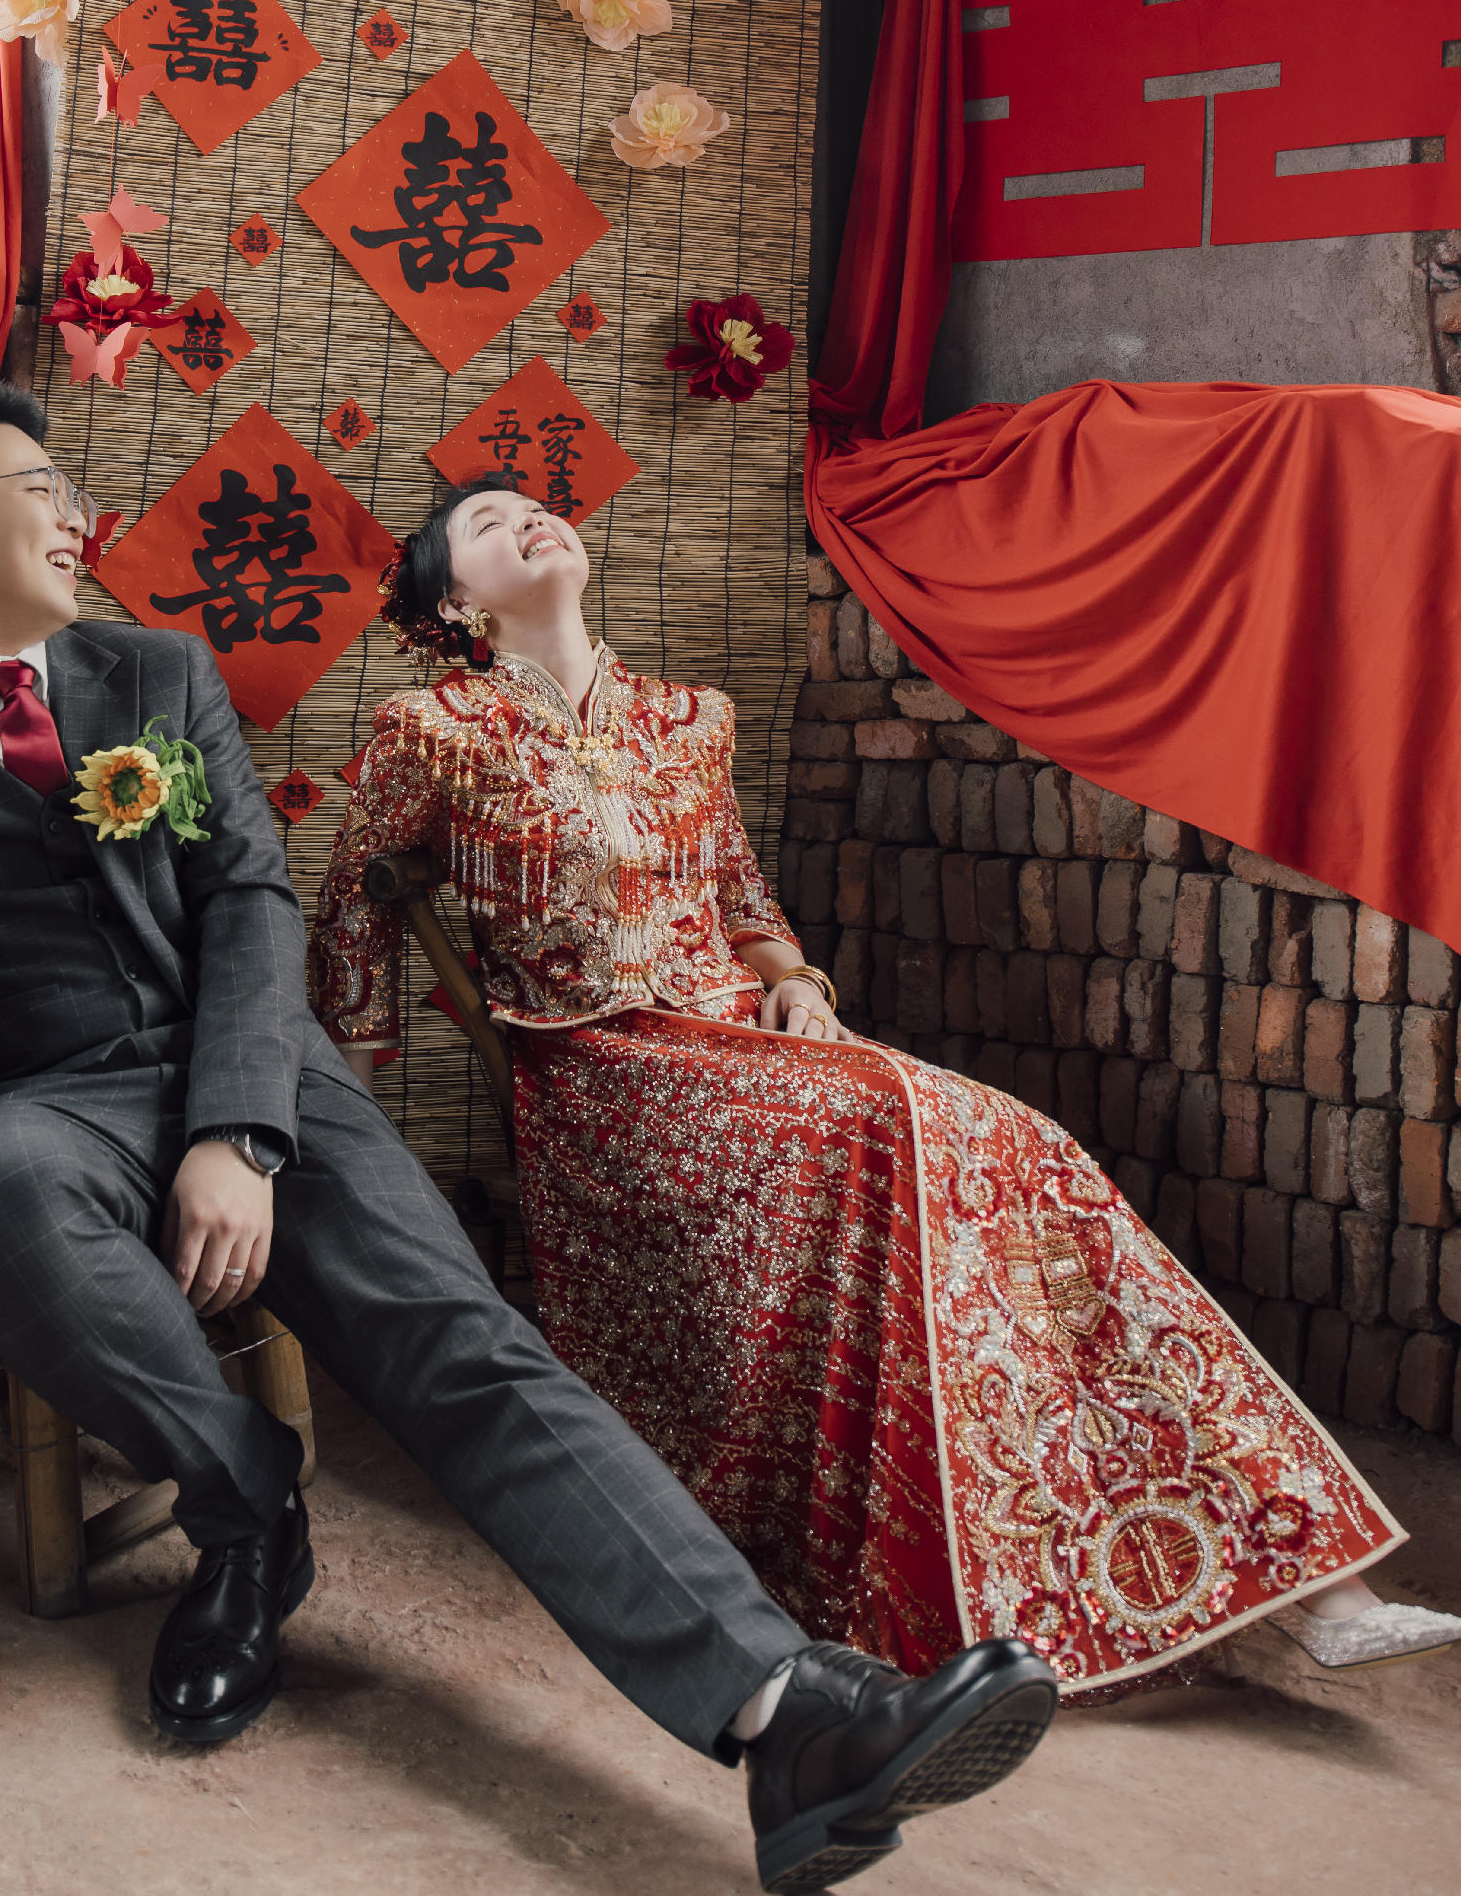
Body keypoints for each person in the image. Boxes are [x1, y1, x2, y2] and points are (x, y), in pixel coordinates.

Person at [0, 382, 1058, 1896]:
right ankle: (248, 1509)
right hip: (17, 1106)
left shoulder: (154, 668)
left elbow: (249, 900)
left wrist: (237, 1128)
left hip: (241, 1066)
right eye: (42, 489)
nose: (77, 517)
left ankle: (795, 1712)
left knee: (464, 1342)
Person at [308, 477, 1461, 1696]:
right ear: (455, 601)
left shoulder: (691, 718)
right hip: (603, 1074)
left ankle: (1312, 1573)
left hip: (756, 1047)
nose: (528, 520)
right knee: (901, 1119)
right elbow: (351, 916)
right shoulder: (432, 728)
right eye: (486, 525)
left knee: (1021, 1141)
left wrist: (798, 984)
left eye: (535, 505)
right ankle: (969, 1585)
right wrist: (349, 1128)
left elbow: (740, 897)